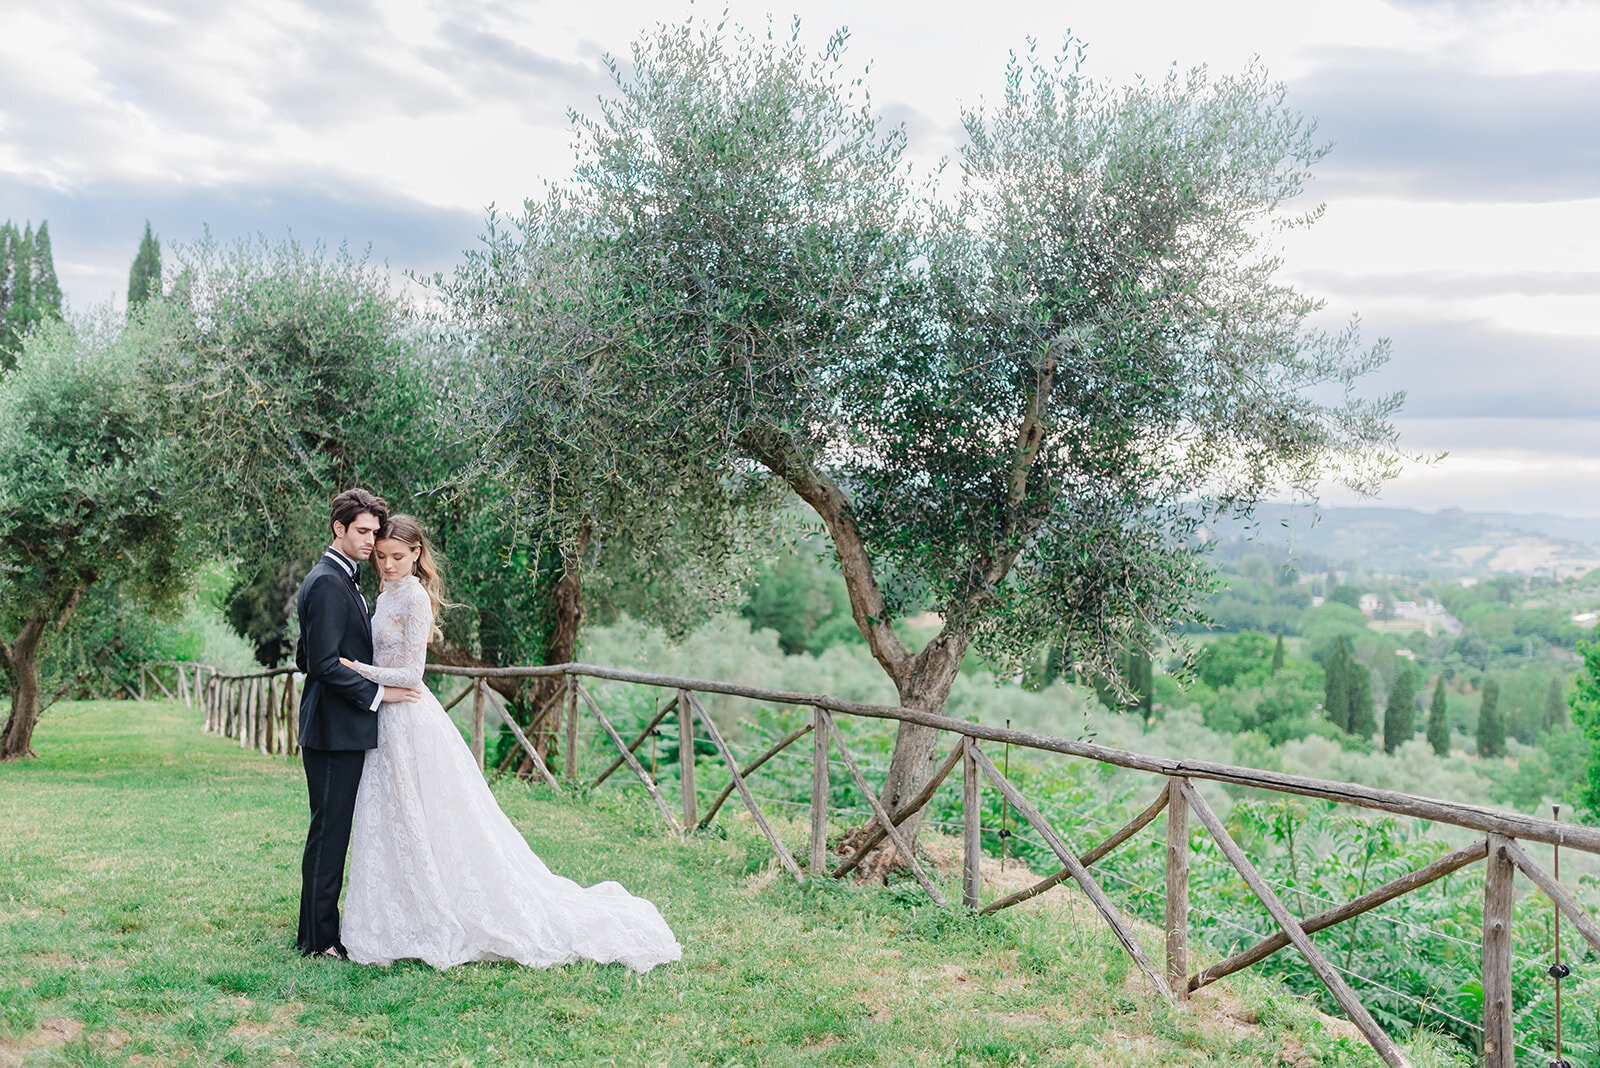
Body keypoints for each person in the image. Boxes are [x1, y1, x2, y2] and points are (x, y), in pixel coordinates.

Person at [338, 514, 681, 972]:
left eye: (398, 557)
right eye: (381, 557)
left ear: (417, 553)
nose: (388, 565)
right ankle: (396, 912)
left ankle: (435, 913)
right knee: (396, 817)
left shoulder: (416, 598)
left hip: (409, 716)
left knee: (429, 816)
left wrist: (356, 670)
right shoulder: (385, 593)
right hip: (386, 716)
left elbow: (413, 674)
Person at [294, 488, 423, 959]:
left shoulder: (340, 578)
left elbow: (304, 654)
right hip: (333, 729)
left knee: (332, 830)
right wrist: (378, 693)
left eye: (374, 532)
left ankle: (318, 931)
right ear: (339, 529)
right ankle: (318, 940)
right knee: (329, 833)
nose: (371, 542)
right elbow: (324, 664)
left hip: (339, 726)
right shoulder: (329, 582)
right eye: (363, 531)